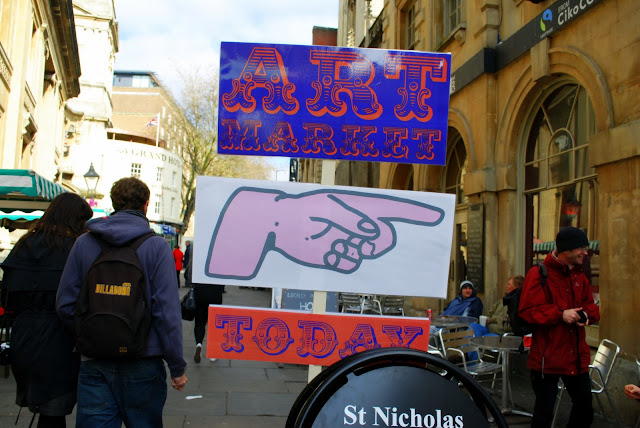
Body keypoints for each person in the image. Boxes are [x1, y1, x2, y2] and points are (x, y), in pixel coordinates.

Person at [56, 177, 187, 427]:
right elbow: (167, 313)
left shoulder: (84, 243)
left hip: (95, 360)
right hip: (143, 359)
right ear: (146, 205)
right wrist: (177, 367)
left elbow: (64, 304)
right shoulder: (157, 247)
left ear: (114, 203)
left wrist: (92, 333)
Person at [1, 193, 92, 428]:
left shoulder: (24, 244)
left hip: (24, 334)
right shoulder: (74, 248)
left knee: (45, 409)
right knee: (54, 409)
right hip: (60, 336)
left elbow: (7, 295)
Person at [519, 227, 600, 428]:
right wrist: (560, 314)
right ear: (567, 249)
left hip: (576, 357)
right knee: (543, 414)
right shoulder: (538, 274)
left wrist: (586, 315)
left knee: (585, 409)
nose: (585, 252)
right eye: (581, 248)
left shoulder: (580, 276)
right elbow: (528, 311)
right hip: (547, 358)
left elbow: (592, 308)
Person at [184, 257, 224, 363]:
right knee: (214, 323)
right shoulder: (218, 260)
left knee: (199, 322)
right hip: (215, 294)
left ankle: (199, 344)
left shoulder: (198, 258)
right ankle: (213, 354)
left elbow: (187, 274)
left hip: (200, 293)